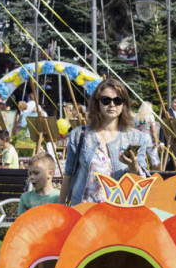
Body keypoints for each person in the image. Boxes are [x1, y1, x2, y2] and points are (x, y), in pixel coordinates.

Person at [58, 78, 149, 206]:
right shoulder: (79, 135)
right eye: (106, 100)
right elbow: (68, 176)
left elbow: (141, 182)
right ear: (97, 103)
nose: (112, 104)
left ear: (124, 104)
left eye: (117, 100)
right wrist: (61, 210)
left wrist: (133, 166)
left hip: (118, 212)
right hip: (84, 212)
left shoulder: (136, 137)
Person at [134, 101, 160, 170]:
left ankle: (140, 173)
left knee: (140, 158)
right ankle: (158, 175)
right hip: (148, 139)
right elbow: (153, 130)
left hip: (138, 139)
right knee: (155, 159)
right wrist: (155, 140)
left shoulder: (135, 116)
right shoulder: (150, 116)